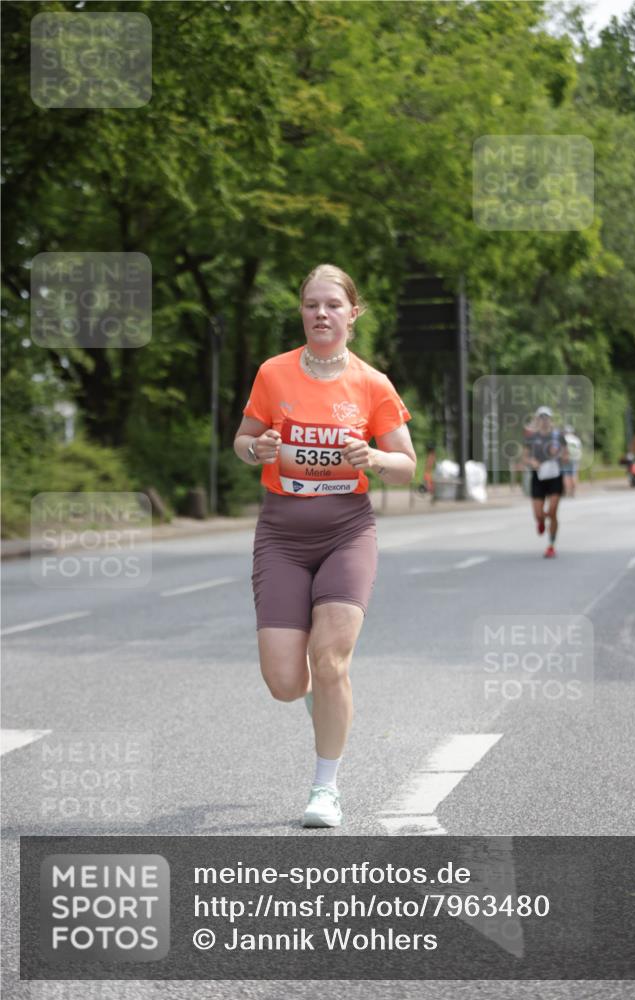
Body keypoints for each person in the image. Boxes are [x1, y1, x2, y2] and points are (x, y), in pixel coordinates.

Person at [233, 263, 416, 828]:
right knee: (287, 683)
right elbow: (242, 442)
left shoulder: (371, 383)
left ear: (352, 313)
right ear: (302, 313)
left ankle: (325, 789)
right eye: (312, 304)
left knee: (330, 659)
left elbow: (407, 466)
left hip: (346, 532)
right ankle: (318, 694)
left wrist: (377, 459)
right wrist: (256, 449)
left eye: (332, 305)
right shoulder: (273, 373)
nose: (321, 314)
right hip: (282, 535)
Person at [522, 406, 569, 558]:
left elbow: (567, 456)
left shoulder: (558, 436)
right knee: (538, 514)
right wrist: (532, 462)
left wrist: (561, 456)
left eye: (546, 417)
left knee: (553, 510)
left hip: (555, 475)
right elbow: (524, 457)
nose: (544, 420)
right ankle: (541, 521)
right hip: (538, 477)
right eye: (541, 418)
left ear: (550, 419)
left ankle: (551, 545)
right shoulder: (531, 437)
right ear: (537, 420)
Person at [562, 424, 583, 497]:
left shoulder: (564, 438)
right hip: (576, 458)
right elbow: (579, 450)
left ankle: (567, 491)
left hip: (566, 458)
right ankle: (574, 491)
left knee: (566, 475)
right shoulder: (576, 439)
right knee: (574, 474)